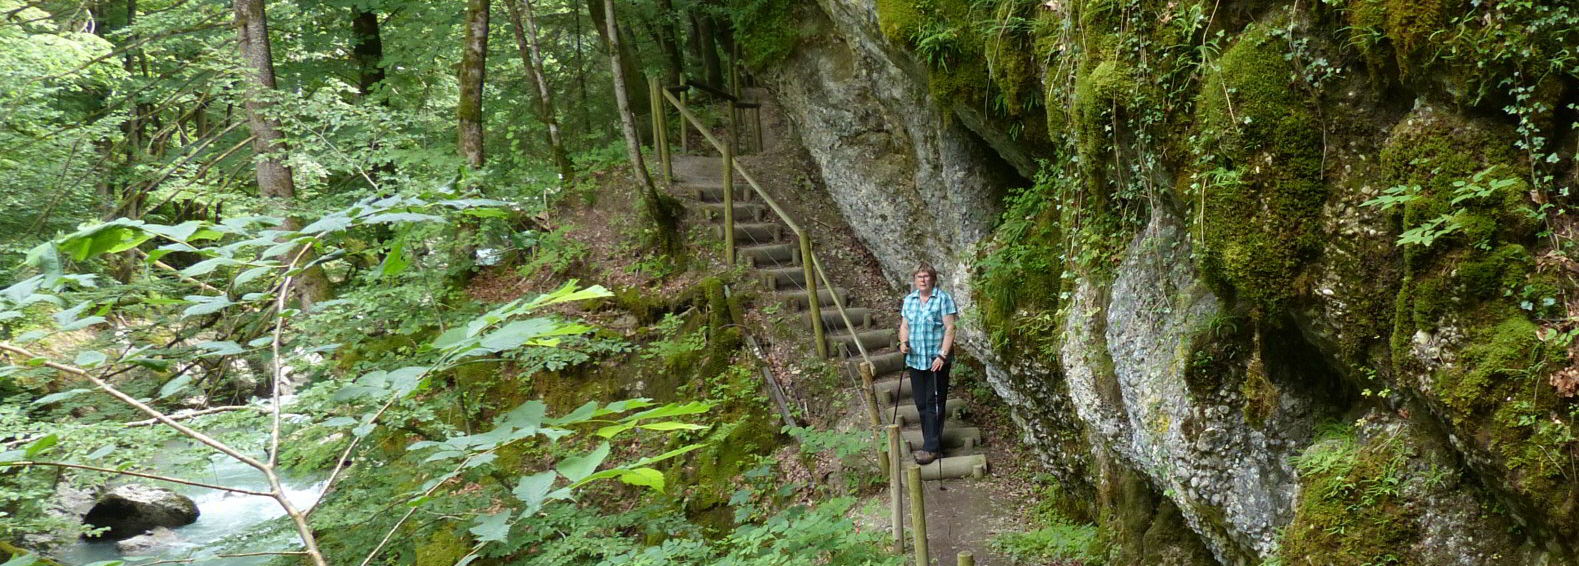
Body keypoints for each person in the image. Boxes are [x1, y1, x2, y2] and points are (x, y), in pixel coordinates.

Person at [897, 262, 957, 465]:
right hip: (915, 360)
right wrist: (903, 343)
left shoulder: (943, 299)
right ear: (914, 279)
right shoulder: (909, 300)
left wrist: (942, 355)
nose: (922, 280)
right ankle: (930, 441)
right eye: (919, 276)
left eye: (926, 276)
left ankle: (931, 448)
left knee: (934, 403)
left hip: (935, 361)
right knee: (921, 402)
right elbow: (904, 326)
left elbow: (950, 328)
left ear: (933, 279)